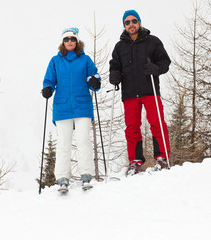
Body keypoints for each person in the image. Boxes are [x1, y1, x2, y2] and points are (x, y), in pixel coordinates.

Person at [109, 10, 171, 176]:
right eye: (127, 22)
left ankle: (162, 158)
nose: (131, 24)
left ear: (139, 22)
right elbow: (115, 65)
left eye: (134, 21)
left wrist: (156, 69)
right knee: (132, 128)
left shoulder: (152, 41)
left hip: (149, 89)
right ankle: (135, 161)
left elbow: (165, 61)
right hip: (129, 93)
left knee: (157, 123)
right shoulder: (119, 46)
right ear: (124, 25)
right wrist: (114, 75)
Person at [41, 27, 101, 191]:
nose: (69, 42)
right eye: (66, 39)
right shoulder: (55, 61)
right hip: (62, 106)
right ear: (63, 42)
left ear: (77, 41)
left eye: (72, 39)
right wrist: (47, 88)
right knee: (63, 143)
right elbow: (49, 79)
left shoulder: (85, 59)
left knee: (83, 140)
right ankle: (62, 177)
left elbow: (93, 76)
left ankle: (86, 175)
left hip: (82, 105)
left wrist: (95, 81)